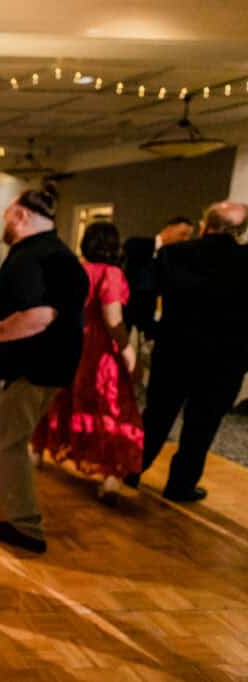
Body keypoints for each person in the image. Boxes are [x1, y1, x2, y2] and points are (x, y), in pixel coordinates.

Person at [0, 187, 89, 554]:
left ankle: (25, 526)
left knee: (8, 439)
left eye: (7, 215)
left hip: (26, 368)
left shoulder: (32, 257)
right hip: (46, 366)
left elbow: (38, 315)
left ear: (21, 216)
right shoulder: (56, 252)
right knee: (3, 430)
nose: (4, 222)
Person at [129, 201, 248, 502]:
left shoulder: (173, 254)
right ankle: (180, 486)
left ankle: (131, 470)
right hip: (225, 360)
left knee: (155, 417)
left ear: (206, 224)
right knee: (202, 427)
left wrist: (152, 331)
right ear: (241, 232)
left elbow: (143, 296)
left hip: (174, 352)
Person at [32, 221, 143, 505]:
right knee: (111, 406)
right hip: (98, 348)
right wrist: (128, 349)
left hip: (70, 339)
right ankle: (111, 479)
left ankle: (35, 452)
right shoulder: (111, 273)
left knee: (61, 397)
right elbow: (112, 318)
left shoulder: (77, 268)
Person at [122, 216, 194, 339]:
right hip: (128, 309)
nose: (185, 239)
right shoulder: (137, 244)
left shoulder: (176, 257)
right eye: (182, 234)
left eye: (188, 236)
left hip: (154, 315)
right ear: (169, 228)